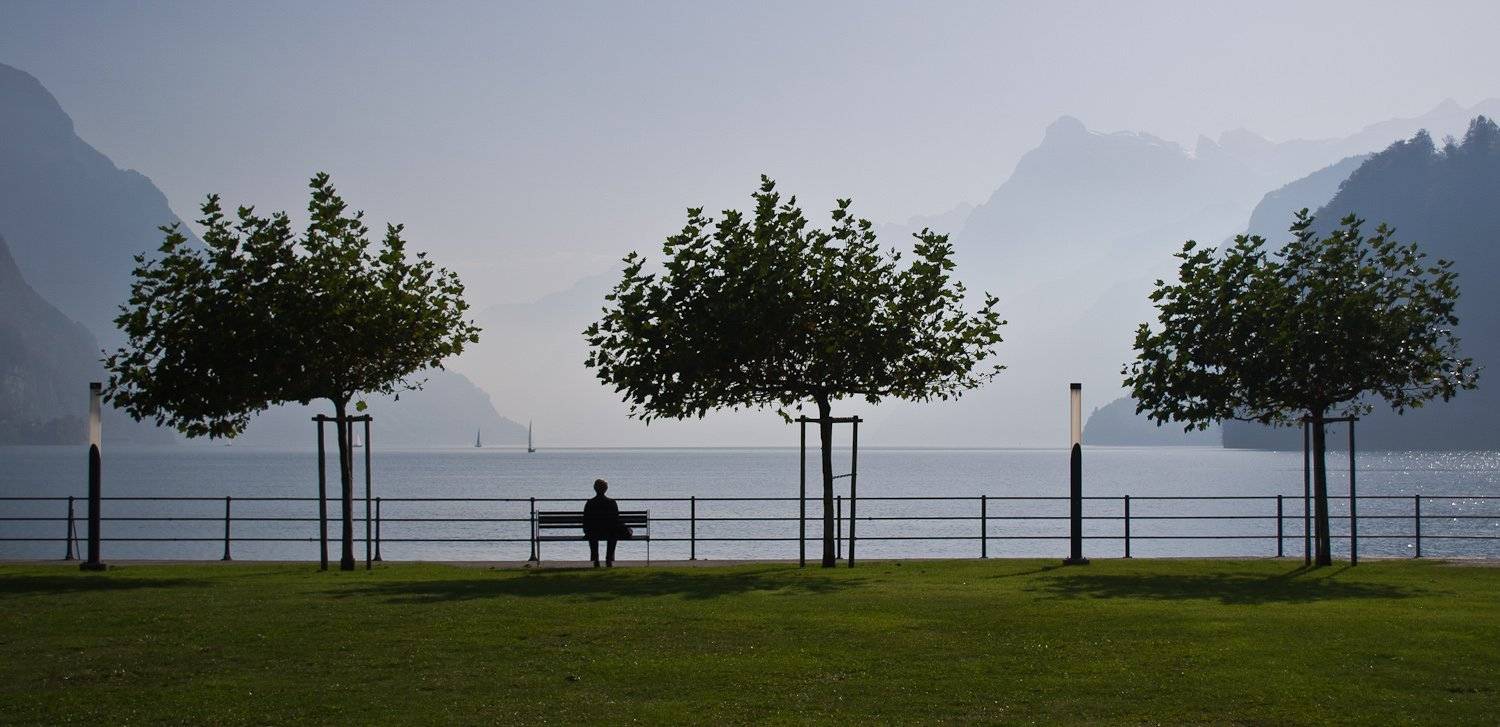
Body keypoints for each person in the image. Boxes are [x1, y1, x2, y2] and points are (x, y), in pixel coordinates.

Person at [583, 478, 623, 567]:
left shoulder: (590, 503)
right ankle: (608, 559)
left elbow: (585, 520)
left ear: (595, 489)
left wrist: (586, 530)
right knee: (613, 534)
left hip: (593, 531)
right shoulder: (611, 502)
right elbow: (616, 519)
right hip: (609, 532)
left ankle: (596, 559)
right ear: (606, 489)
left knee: (592, 533)